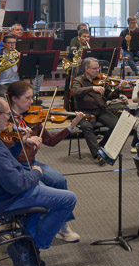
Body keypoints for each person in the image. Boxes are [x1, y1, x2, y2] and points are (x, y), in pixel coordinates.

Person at [0, 96, 78, 266]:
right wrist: (36, 173)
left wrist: (19, 144)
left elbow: (5, 161)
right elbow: (16, 184)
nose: (10, 119)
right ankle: (32, 247)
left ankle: (25, 247)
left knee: (45, 193)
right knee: (68, 199)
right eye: (7, 115)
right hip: (5, 198)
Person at [5, 81, 84, 242]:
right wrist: (23, 139)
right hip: (16, 167)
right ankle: (24, 225)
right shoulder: (5, 120)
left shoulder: (33, 118)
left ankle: (62, 225)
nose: (32, 102)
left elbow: (51, 141)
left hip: (32, 163)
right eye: (27, 98)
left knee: (59, 180)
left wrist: (72, 125)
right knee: (40, 190)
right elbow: (3, 147)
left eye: (32, 97)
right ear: (14, 99)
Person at [71, 57, 122, 165]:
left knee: (117, 125)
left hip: (101, 110)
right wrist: (92, 88)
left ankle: (100, 147)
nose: (97, 70)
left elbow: (110, 96)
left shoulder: (102, 80)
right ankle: (97, 154)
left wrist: (119, 88)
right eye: (94, 68)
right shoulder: (78, 80)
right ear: (87, 69)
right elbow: (76, 92)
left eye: (98, 68)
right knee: (86, 126)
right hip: (85, 112)